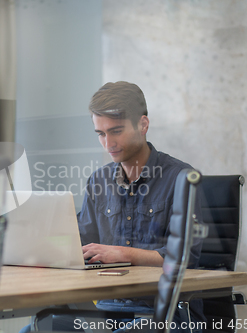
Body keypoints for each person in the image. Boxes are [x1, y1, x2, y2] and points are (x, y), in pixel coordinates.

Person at [76, 81, 205, 332]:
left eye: (116, 131)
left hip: (166, 313)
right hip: (108, 309)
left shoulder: (181, 178)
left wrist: (125, 254)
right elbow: (82, 245)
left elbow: (184, 258)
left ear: (143, 125)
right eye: (101, 134)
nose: (107, 142)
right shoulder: (97, 180)